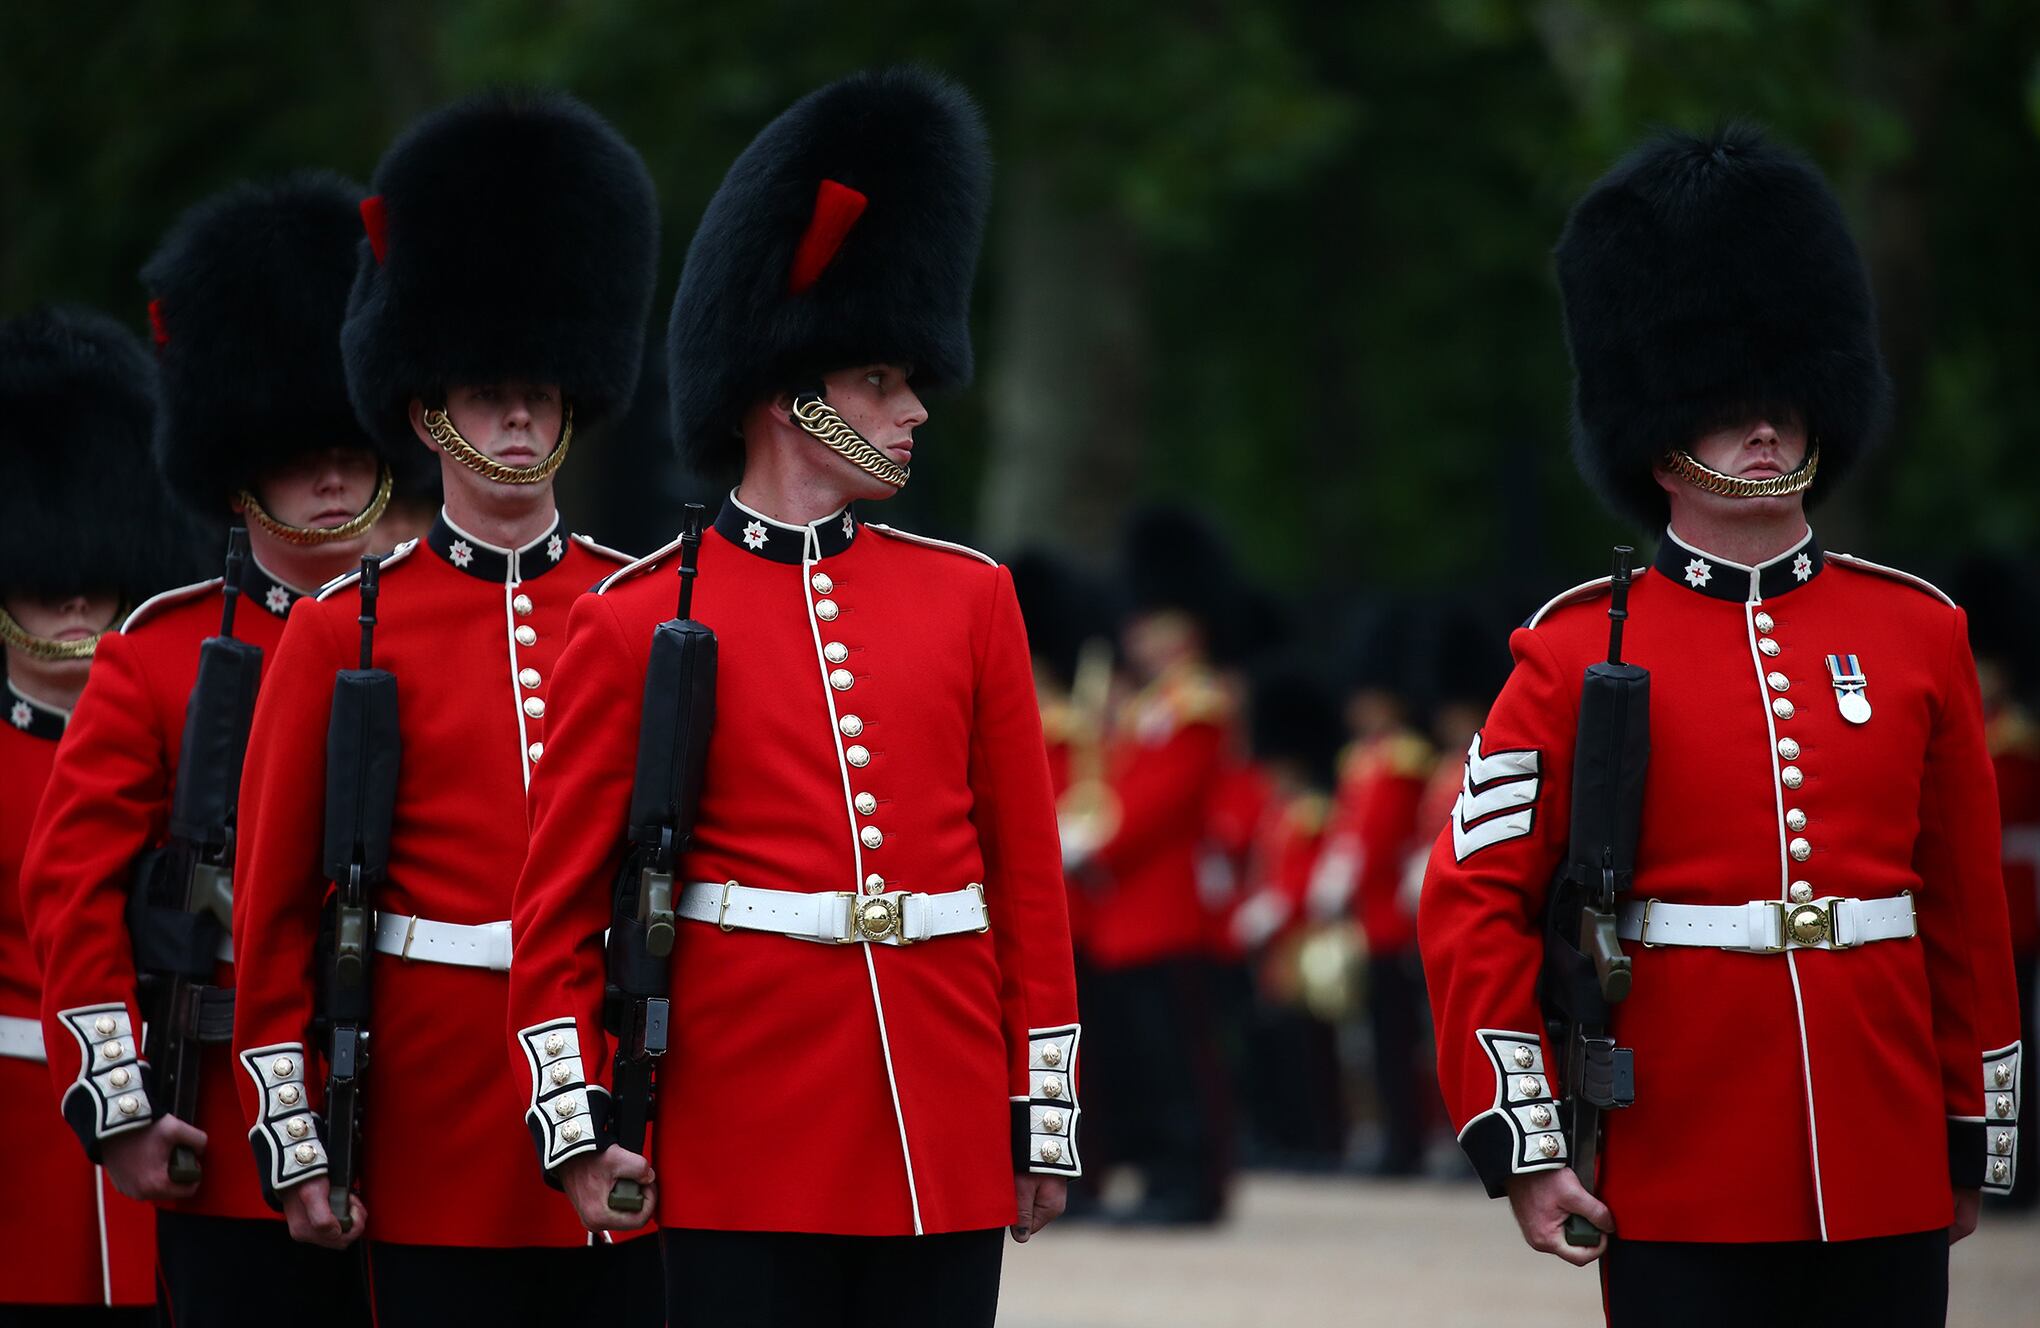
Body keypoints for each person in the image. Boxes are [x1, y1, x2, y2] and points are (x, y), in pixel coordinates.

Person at [502, 68, 1079, 1328]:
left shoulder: (970, 597)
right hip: (738, 1121)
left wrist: (1041, 1109)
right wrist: (578, 1121)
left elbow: (1024, 880)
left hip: (937, 1113)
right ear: (790, 387)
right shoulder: (636, 616)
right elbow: (557, 912)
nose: (914, 407)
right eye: (880, 380)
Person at [1417, 127, 2022, 1326]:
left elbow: (1962, 907)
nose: (1766, 431)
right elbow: (1474, 897)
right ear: (1661, 432)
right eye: (1729, 407)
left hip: (1882, 1147)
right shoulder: (1577, 646)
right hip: (1685, 1162)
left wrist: (1970, 1127)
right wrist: (1529, 1139)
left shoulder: (1916, 632)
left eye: (1786, 403)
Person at [227, 93, 660, 1325]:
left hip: (621, 1072)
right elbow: (273, 908)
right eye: (483, 392)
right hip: (432, 1098)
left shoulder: (637, 610)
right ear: (426, 410)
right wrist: (296, 1125)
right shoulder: (341, 626)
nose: (516, 417)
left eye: (537, 390)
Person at [20, 176, 411, 1326]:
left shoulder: (439, 632)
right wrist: (120, 1101)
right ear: (240, 468)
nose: (334, 477)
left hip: (434, 1121)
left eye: (350, 445)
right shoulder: (157, 654)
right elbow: (73, 894)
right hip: (237, 1132)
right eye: (300, 456)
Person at [1, 306, 165, 1324]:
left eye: (90, 584)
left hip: (161, 1132)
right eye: (45, 584)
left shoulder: (176, 747)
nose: (73, 607)